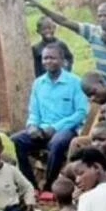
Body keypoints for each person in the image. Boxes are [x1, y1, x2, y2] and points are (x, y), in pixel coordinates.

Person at [12, 43, 88, 194]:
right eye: (45, 58)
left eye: (52, 58)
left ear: (62, 60)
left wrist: (55, 128)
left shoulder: (75, 82)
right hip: (41, 129)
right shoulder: (38, 83)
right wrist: (32, 126)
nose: (48, 61)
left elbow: (80, 112)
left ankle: (50, 186)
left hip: (67, 129)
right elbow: (34, 111)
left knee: (57, 142)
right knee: (14, 141)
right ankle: (31, 186)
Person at [25, 0, 106, 87]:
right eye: (100, 16)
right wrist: (38, 5)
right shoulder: (93, 32)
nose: (102, 19)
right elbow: (64, 21)